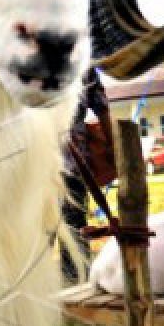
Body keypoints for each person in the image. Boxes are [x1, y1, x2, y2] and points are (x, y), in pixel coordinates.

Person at [60, 68, 113, 283]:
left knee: (73, 220)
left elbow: (102, 108)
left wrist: (114, 147)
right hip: (45, 159)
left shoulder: (84, 66)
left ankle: (76, 274)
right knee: (49, 222)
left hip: (72, 160)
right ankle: (73, 272)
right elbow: (102, 109)